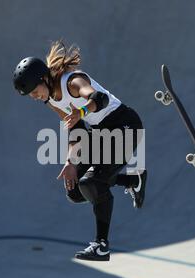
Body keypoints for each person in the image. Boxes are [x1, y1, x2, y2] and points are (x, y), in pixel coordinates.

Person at [13, 41, 147, 261]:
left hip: (126, 126)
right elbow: (76, 131)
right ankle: (132, 181)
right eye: (30, 95)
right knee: (76, 190)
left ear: (44, 79)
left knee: (92, 182)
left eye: (34, 91)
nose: (35, 97)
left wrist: (82, 111)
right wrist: (70, 162)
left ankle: (101, 245)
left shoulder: (73, 82)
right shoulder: (51, 101)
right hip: (100, 134)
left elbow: (99, 99)